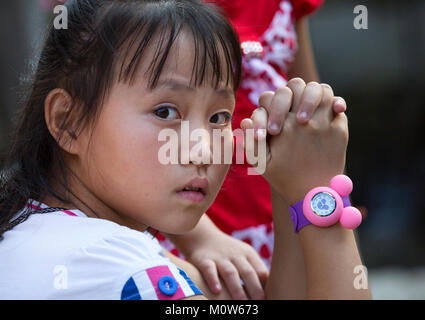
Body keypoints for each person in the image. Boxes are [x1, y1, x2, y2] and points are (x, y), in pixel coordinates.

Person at [0, 0, 369, 300]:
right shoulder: (129, 273)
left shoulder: (45, 237)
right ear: (68, 121)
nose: (204, 150)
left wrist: (292, 190)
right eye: (165, 112)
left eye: (219, 116)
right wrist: (318, 194)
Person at [158, 0, 349, 299]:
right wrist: (198, 239)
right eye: (166, 111)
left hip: (289, 221)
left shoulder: (288, 6)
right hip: (188, 234)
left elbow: (316, 128)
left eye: (220, 116)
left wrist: (329, 207)